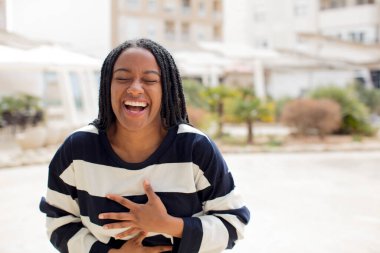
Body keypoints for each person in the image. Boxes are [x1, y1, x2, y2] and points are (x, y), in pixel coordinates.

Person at [39, 38, 250, 253]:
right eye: (122, 78)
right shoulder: (77, 150)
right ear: (107, 85)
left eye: (149, 80)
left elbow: (234, 223)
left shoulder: (195, 148)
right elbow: (58, 223)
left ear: (166, 89)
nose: (135, 88)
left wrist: (168, 224)